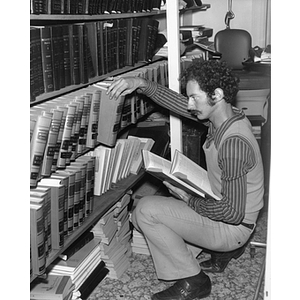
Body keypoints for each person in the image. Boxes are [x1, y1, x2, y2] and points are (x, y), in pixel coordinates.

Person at [107, 59, 264, 300]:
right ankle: (212, 251)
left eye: (194, 97)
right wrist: (139, 83)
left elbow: (232, 213)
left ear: (217, 94)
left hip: (233, 226)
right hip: (229, 212)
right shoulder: (226, 117)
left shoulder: (233, 143)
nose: (189, 105)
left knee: (145, 211)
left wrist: (188, 198)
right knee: (167, 229)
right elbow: (177, 104)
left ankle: (194, 280)